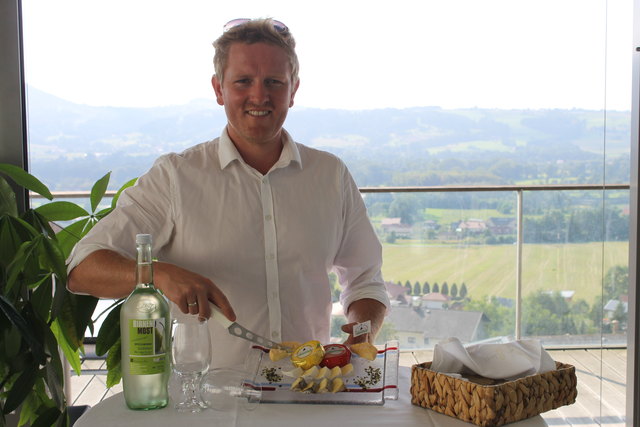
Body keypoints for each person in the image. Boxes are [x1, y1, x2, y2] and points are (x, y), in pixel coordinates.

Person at [67, 18, 389, 368]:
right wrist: (158, 273)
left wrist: (361, 335)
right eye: (243, 82)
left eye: (274, 82)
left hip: (308, 392)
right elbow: (82, 267)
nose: (259, 96)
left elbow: (365, 279)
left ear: (293, 90)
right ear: (218, 88)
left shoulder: (331, 175)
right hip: (208, 401)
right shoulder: (175, 176)